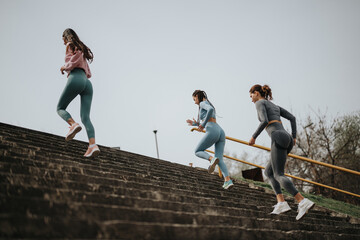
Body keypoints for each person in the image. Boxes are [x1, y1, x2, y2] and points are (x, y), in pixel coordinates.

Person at [248, 84, 314, 220]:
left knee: (278, 174)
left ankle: (302, 201)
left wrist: (254, 136)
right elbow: (293, 118)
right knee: (269, 172)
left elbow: (265, 121)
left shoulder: (260, 103)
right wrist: (294, 136)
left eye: (251, 96)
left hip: (277, 136)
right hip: (287, 137)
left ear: (256, 93)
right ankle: (281, 202)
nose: (251, 99)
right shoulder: (275, 106)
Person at [57, 28, 100, 158]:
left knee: (60, 108)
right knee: (86, 117)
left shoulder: (72, 45)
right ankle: (92, 145)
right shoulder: (80, 47)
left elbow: (75, 59)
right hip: (87, 83)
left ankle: (73, 124)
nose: (63, 43)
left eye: (63, 40)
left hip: (76, 78)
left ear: (66, 38)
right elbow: (84, 65)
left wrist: (65, 67)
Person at [187, 90, 233, 189]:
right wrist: (195, 123)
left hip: (212, 129)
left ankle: (211, 159)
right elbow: (209, 115)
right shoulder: (206, 103)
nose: (194, 102)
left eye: (194, 99)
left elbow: (210, 110)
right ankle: (228, 180)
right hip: (220, 131)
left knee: (197, 151)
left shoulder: (203, 103)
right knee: (219, 159)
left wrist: (202, 125)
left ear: (197, 96)